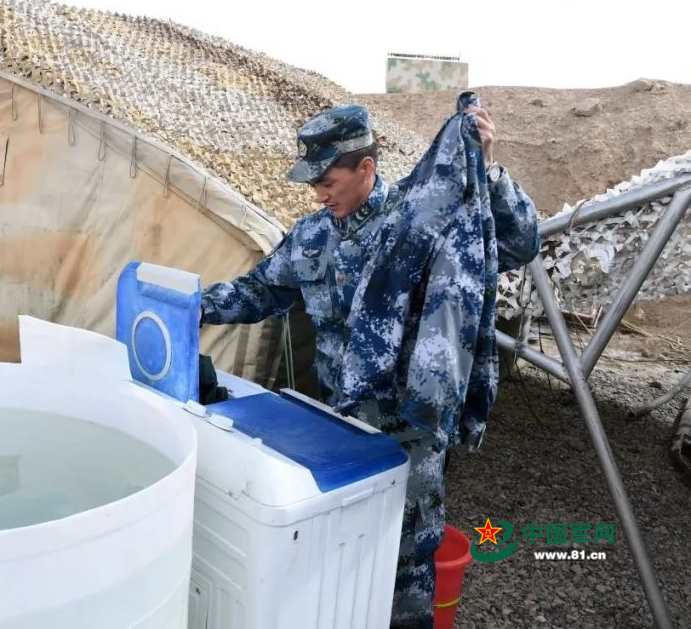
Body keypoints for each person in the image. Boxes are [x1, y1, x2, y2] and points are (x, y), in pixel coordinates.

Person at [199, 101, 540, 629]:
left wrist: (487, 169)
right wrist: (194, 304)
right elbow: (260, 292)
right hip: (342, 422)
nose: (318, 193)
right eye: (312, 182)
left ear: (365, 167)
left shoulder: (418, 217)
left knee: (406, 565)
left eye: (328, 180)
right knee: (344, 554)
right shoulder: (313, 236)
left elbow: (517, 244)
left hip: (409, 431)